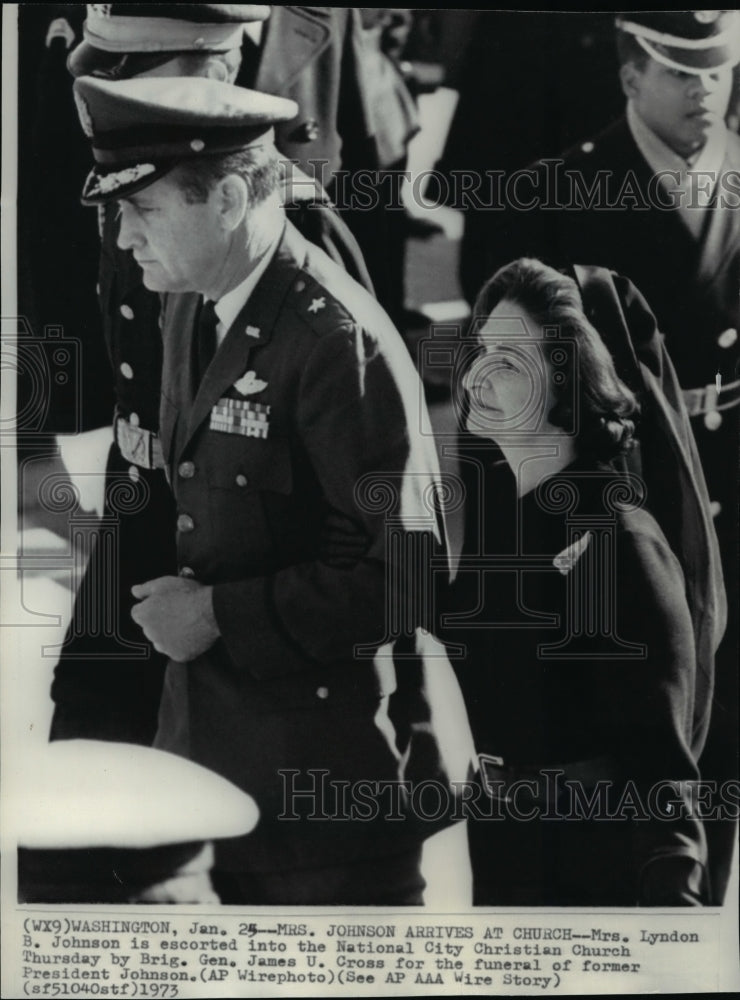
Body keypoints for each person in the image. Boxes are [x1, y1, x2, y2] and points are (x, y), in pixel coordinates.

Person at [72, 72, 473, 904]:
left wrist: (217, 612)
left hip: (331, 806)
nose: (122, 238)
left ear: (223, 200)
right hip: (223, 771)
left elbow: (406, 579)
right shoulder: (196, 301)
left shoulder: (335, 346)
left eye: (142, 211)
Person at [49, 4, 373, 746]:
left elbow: (362, 496)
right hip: (139, 516)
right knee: (90, 764)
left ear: (219, 74)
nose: (112, 99)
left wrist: (240, 610)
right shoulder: (135, 183)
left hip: (243, 560)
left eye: (138, 78)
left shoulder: (288, 230)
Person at [482, 10, 740, 903]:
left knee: (720, 744)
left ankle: (699, 915)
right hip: (623, 514)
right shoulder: (562, 191)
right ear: (630, 77)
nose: (703, 90)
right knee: (625, 760)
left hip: (731, 499)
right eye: (679, 73)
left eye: (716, 72)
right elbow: (511, 392)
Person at [445, 258, 708, 905]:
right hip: (501, 857)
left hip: (593, 871)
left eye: (509, 359)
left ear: (567, 379)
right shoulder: (502, 518)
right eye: (480, 350)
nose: (479, 372)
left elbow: (662, 776)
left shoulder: (615, 538)